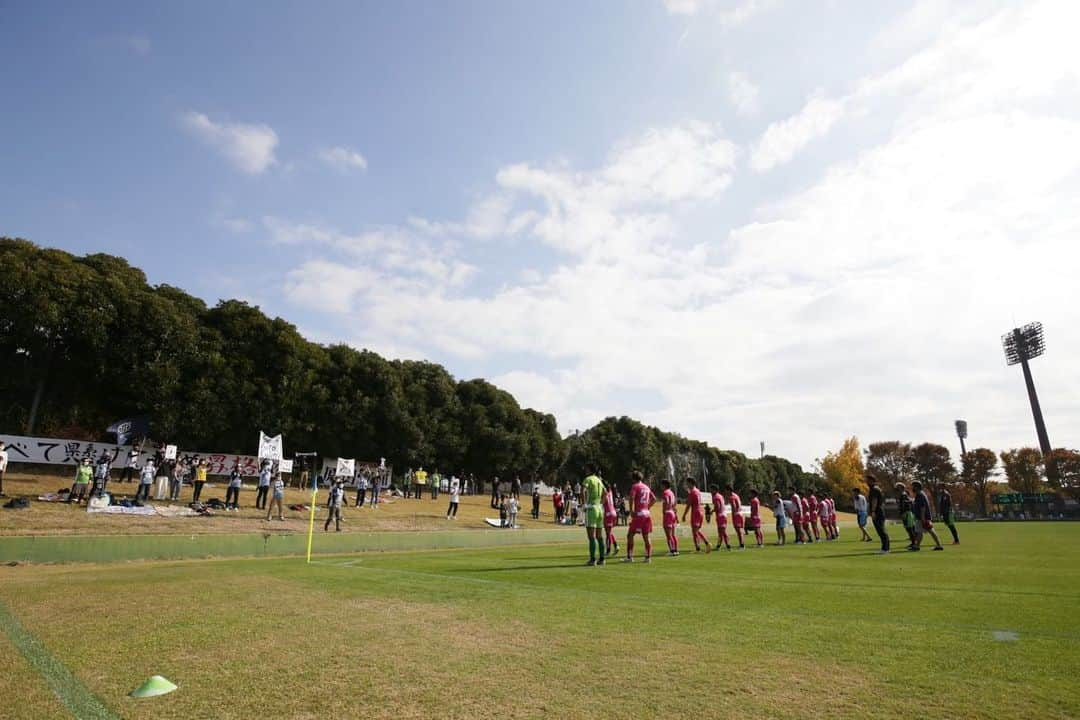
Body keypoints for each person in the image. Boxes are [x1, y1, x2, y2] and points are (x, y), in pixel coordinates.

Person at [625, 471, 656, 563]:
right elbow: (654, 499)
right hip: (647, 514)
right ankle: (648, 557)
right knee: (646, 536)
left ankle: (630, 557)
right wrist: (648, 507)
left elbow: (631, 497)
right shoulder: (646, 487)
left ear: (633, 478)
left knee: (630, 535)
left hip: (639, 514)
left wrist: (631, 510)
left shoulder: (635, 486)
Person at [580, 464, 606, 566]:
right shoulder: (599, 480)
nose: (585, 470)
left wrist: (584, 504)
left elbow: (583, 490)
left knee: (591, 536)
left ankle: (592, 559)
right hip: (599, 509)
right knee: (599, 536)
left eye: (586, 468)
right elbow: (606, 493)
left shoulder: (588, 479)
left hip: (591, 509)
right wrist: (601, 504)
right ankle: (602, 559)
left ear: (590, 469)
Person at [681, 478, 712, 553]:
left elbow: (689, 505)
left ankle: (706, 543)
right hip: (700, 511)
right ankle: (698, 547)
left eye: (687, 483)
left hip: (695, 512)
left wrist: (684, 515)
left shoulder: (693, 492)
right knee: (696, 530)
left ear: (691, 483)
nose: (686, 485)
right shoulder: (697, 491)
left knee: (695, 530)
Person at [911, 480, 944, 551]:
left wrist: (922, 518)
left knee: (921, 531)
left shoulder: (920, 495)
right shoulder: (921, 494)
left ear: (917, 487)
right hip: (924, 517)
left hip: (922, 517)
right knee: (929, 531)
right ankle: (938, 545)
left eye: (913, 486)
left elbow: (923, 507)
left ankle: (917, 546)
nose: (912, 488)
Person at [867, 474, 890, 554]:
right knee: (880, 530)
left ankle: (886, 549)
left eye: (869, 480)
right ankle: (884, 548)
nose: (867, 482)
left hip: (877, 512)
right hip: (878, 511)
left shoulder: (874, 489)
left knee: (881, 530)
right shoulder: (874, 489)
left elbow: (874, 501)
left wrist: (873, 511)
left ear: (873, 481)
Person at [660, 479, 679, 557]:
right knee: (673, 534)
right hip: (672, 513)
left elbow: (666, 501)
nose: (660, 486)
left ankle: (672, 550)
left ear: (664, 485)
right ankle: (676, 550)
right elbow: (674, 504)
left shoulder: (665, 492)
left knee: (668, 534)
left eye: (661, 485)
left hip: (668, 513)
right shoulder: (672, 493)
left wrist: (664, 511)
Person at [895, 482, 917, 549]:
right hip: (906, 513)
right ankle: (913, 542)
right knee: (909, 528)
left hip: (906, 513)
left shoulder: (903, 495)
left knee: (909, 528)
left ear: (901, 488)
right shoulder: (902, 494)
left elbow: (906, 504)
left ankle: (914, 543)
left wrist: (904, 512)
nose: (896, 489)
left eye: (897, 487)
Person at [710, 485, 730, 550]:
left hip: (720, 516)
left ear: (715, 490)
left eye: (711, 490)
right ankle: (719, 545)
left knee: (722, 531)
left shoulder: (715, 497)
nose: (710, 491)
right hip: (723, 515)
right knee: (721, 531)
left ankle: (728, 545)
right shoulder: (720, 496)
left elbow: (718, 507)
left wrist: (712, 511)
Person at [602, 480, 619, 557]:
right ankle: (615, 546)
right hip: (613, 512)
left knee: (607, 533)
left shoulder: (604, 493)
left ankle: (608, 550)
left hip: (608, 513)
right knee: (609, 532)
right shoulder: (610, 491)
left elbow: (602, 502)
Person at [728, 485, 745, 550]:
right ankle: (742, 544)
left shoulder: (731, 497)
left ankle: (742, 545)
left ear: (728, 490)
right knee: (740, 530)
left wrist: (734, 514)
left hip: (736, 514)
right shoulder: (736, 495)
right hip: (741, 513)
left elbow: (734, 506)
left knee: (738, 531)